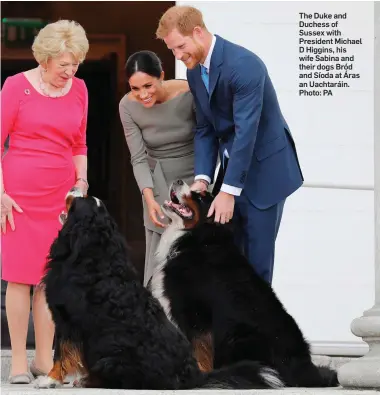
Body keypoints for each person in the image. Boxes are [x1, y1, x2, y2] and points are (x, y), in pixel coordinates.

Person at [156, 6, 304, 285]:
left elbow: (246, 131)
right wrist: (203, 178)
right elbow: (204, 128)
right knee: (228, 266)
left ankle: (259, 329)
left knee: (257, 270)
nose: (177, 55)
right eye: (172, 49)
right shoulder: (194, 72)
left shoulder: (245, 65)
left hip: (266, 171)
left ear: (197, 32)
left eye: (180, 46)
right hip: (231, 171)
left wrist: (228, 191)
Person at [1, 20, 89, 384]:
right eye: (63, 65)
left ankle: (44, 359)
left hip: (60, 197)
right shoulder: (15, 87)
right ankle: (19, 362)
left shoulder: (80, 89)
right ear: (45, 59)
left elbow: (79, 143)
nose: (69, 73)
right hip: (18, 197)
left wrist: (82, 181)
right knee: (19, 278)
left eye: (75, 65)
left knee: (50, 278)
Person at [119, 50, 195, 286]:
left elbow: (208, 136)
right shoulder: (127, 107)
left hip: (196, 177)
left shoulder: (190, 92)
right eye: (135, 88)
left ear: (161, 75)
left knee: (195, 255)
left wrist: (205, 181)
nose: (143, 95)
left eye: (148, 86)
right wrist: (149, 198)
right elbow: (138, 158)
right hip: (159, 184)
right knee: (161, 263)